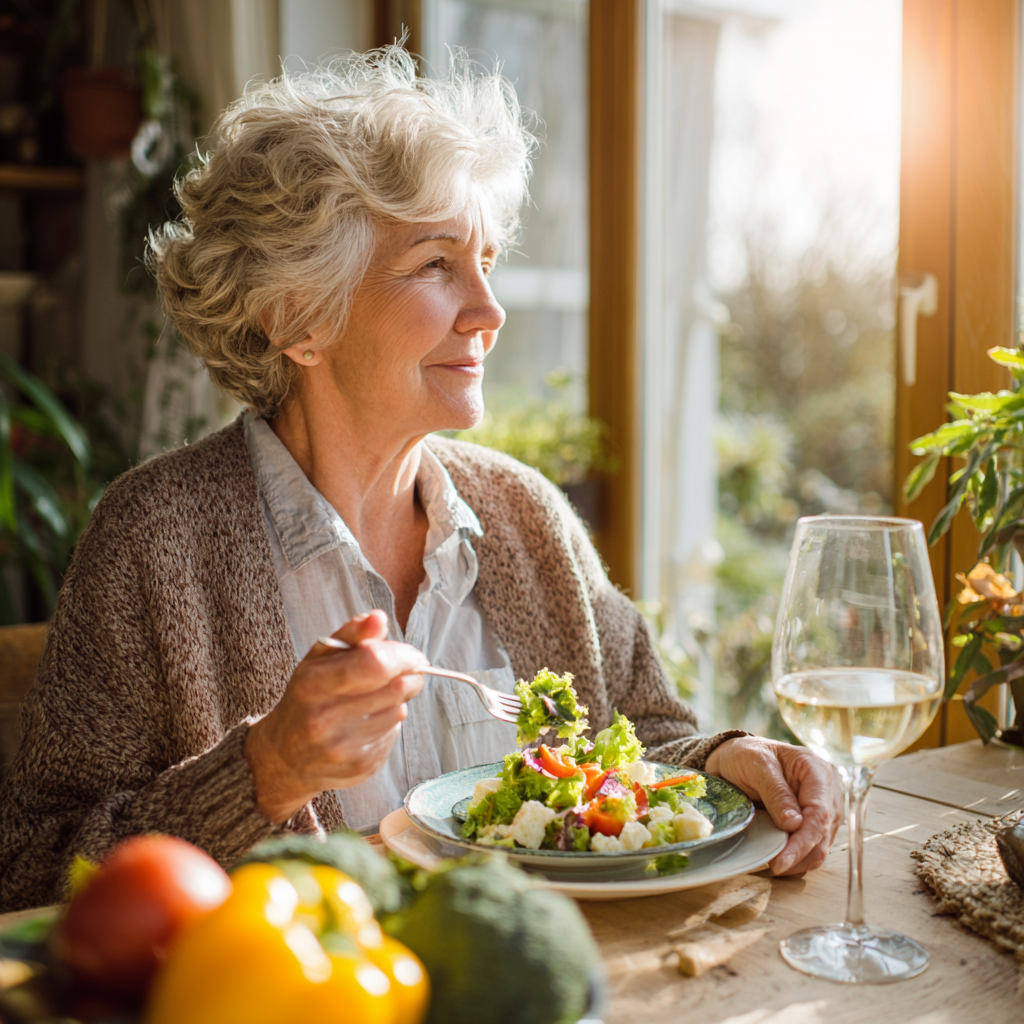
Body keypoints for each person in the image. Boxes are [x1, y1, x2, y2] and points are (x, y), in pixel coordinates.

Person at [0, 49, 839, 911]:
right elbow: (32, 872)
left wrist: (721, 762)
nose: (489, 309)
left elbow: (646, 741)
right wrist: (265, 772)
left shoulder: (526, 516)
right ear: (297, 317)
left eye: (486, 260)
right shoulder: (154, 541)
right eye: (437, 265)